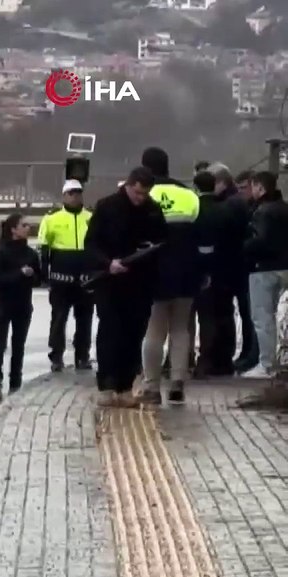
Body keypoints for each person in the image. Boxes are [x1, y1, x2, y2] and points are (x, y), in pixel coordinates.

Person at [85, 167, 167, 406]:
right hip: (110, 280)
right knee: (110, 331)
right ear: (129, 185)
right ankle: (106, 385)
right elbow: (91, 243)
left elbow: (163, 241)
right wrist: (107, 263)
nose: (140, 198)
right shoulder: (107, 206)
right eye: (137, 193)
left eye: (145, 194)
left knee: (134, 333)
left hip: (140, 281)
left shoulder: (152, 210)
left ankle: (124, 386)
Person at [138, 147, 203, 404]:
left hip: (154, 272)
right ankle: (178, 381)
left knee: (154, 330)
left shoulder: (144, 195)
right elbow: (200, 237)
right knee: (180, 328)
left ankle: (152, 386)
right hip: (186, 271)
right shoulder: (189, 196)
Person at [37, 179, 94, 372]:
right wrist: (44, 274)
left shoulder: (91, 217)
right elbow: (44, 248)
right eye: (71, 193)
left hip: (86, 279)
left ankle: (83, 356)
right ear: (64, 195)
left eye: (78, 193)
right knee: (59, 319)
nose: (75, 196)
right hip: (61, 279)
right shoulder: (52, 218)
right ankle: (56, 357)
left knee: (85, 320)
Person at [0, 214, 41, 401]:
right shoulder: (1, 252)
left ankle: (15, 383)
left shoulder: (31, 254)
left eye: (28, 225)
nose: (28, 228)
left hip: (23, 305)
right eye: (24, 225)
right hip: (2, 304)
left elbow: (39, 280)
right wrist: (19, 274)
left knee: (19, 345)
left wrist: (32, 275)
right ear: (13, 230)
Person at [194, 166, 240, 377]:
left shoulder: (194, 209)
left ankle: (203, 360)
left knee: (201, 317)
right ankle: (221, 359)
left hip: (198, 271)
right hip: (225, 269)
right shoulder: (226, 210)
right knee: (222, 314)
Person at [242, 171, 288, 378]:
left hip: (264, 268)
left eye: (252, 187)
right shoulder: (284, 208)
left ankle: (267, 364)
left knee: (263, 317)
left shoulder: (261, 212)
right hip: (285, 266)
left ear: (260, 187)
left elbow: (260, 241)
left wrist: (243, 246)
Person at [230, 169, 260, 371]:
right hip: (245, 269)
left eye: (243, 188)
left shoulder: (257, 210)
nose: (241, 193)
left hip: (254, 268)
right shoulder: (247, 208)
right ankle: (248, 352)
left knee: (254, 315)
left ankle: (253, 355)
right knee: (246, 313)